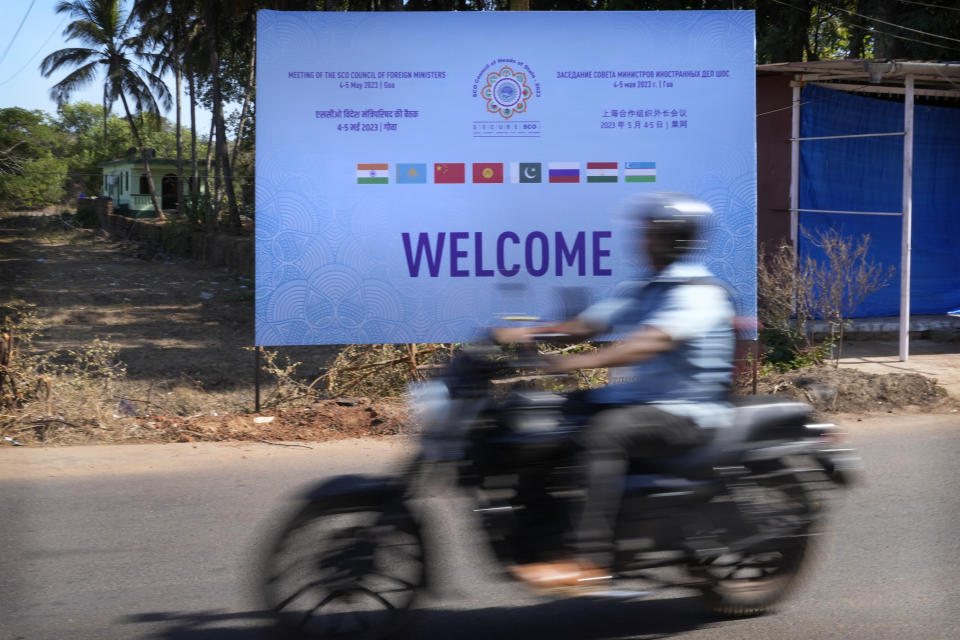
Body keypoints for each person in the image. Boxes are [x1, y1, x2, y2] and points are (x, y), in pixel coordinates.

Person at [492, 192, 736, 590]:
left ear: (672, 238)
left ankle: (586, 558)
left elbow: (648, 343)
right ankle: (538, 541)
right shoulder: (646, 287)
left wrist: (575, 363)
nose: (640, 241)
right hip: (640, 402)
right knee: (540, 423)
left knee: (602, 435)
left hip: (686, 412)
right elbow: (591, 324)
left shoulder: (698, 293)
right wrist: (527, 332)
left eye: (648, 234)